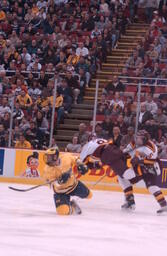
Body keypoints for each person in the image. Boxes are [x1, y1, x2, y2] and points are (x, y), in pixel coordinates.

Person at [79, 134, 167, 214]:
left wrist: (139, 161)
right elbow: (123, 150)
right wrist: (119, 158)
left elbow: (153, 160)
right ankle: (130, 200)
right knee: (122, 178)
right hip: (138, 167)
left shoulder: (151, 147)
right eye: (137, 138)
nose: (138, 140)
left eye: (140, 139)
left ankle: (163, 205)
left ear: (145, 140)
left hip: (152, 168)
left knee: (149, 186)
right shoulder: (132, 143)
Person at [43, 146, 92, 215]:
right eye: (46, 157)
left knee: (89, 195)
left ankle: (72, 201)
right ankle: (72, 206)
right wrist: (59, 182)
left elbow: (75, 159)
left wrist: (81, 164)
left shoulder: (66, 158)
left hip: (74, 186)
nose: (47, 160)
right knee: (63, 212)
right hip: (60, 192)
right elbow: (51, 184)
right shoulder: (47, 169)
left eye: (49, 157)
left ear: (55, 157)